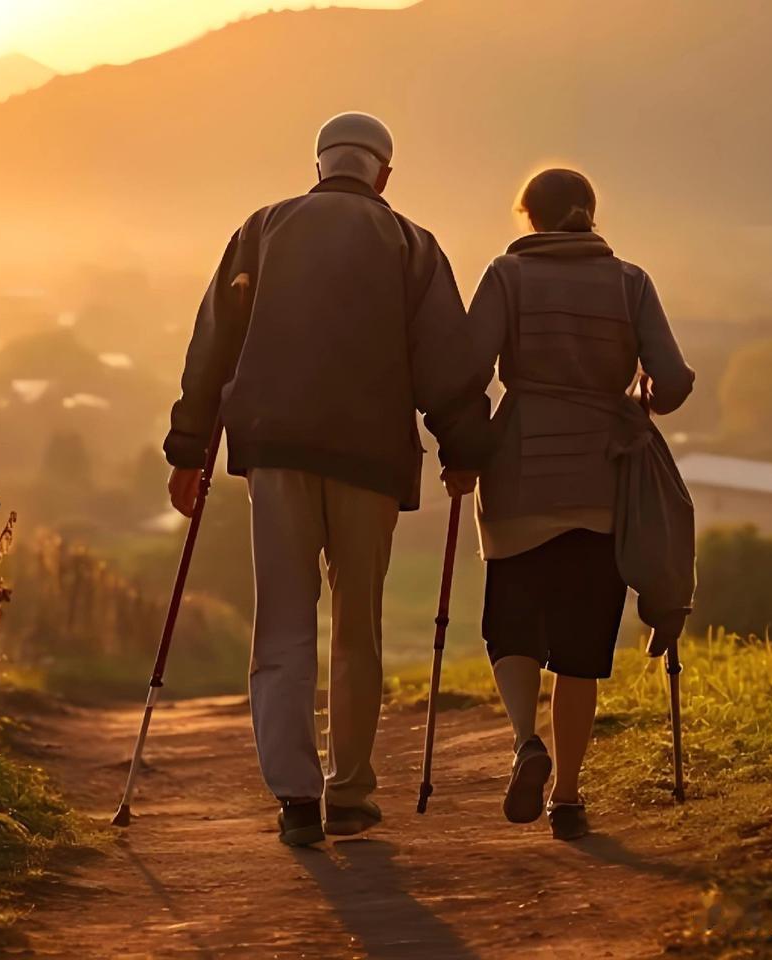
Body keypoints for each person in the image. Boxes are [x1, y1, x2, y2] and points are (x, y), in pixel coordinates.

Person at [164, 112, 493, 846]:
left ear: (318, 165)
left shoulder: (262, 230)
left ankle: (295, 799)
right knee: (357, 629)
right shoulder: (413, 245)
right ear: (383, 173)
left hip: (275, 454)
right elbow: (448, 364)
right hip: (370, 463)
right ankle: (349, 791)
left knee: (282, 623)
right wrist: (464, 449)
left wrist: (190, 449)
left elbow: (212, 345)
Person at [465, 168, 695, 840]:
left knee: (510, 626)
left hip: (520, 474)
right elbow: (673, 381)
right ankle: (566, 795)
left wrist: (463, 444)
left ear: (526, 216)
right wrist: (645, 391)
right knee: (578, 649)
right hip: (602, 481)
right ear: (591, 214)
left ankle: (523, 742)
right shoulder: (630, 282)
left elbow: (468, 370)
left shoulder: (506, 278)